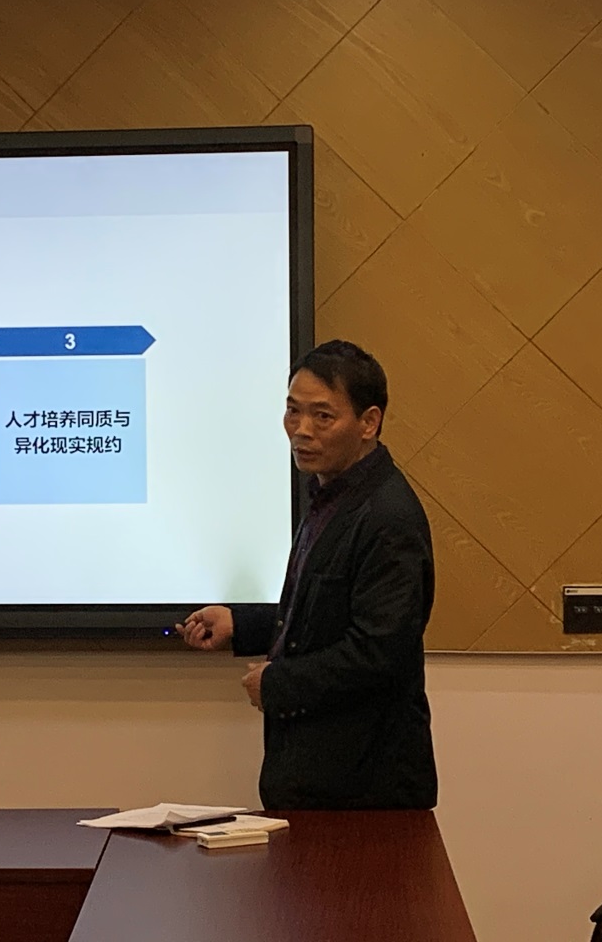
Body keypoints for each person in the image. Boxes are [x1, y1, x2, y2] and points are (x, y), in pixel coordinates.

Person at [180, 339, 437, 810]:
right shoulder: (330, 495)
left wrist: (279, 685)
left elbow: (380, 651)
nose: (301, 430)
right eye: (292, 411)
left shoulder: (387, 517)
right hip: (319, 779)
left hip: (364, 790)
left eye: (322, 416)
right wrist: (242, 624)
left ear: (368, 423)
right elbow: (324, 612)